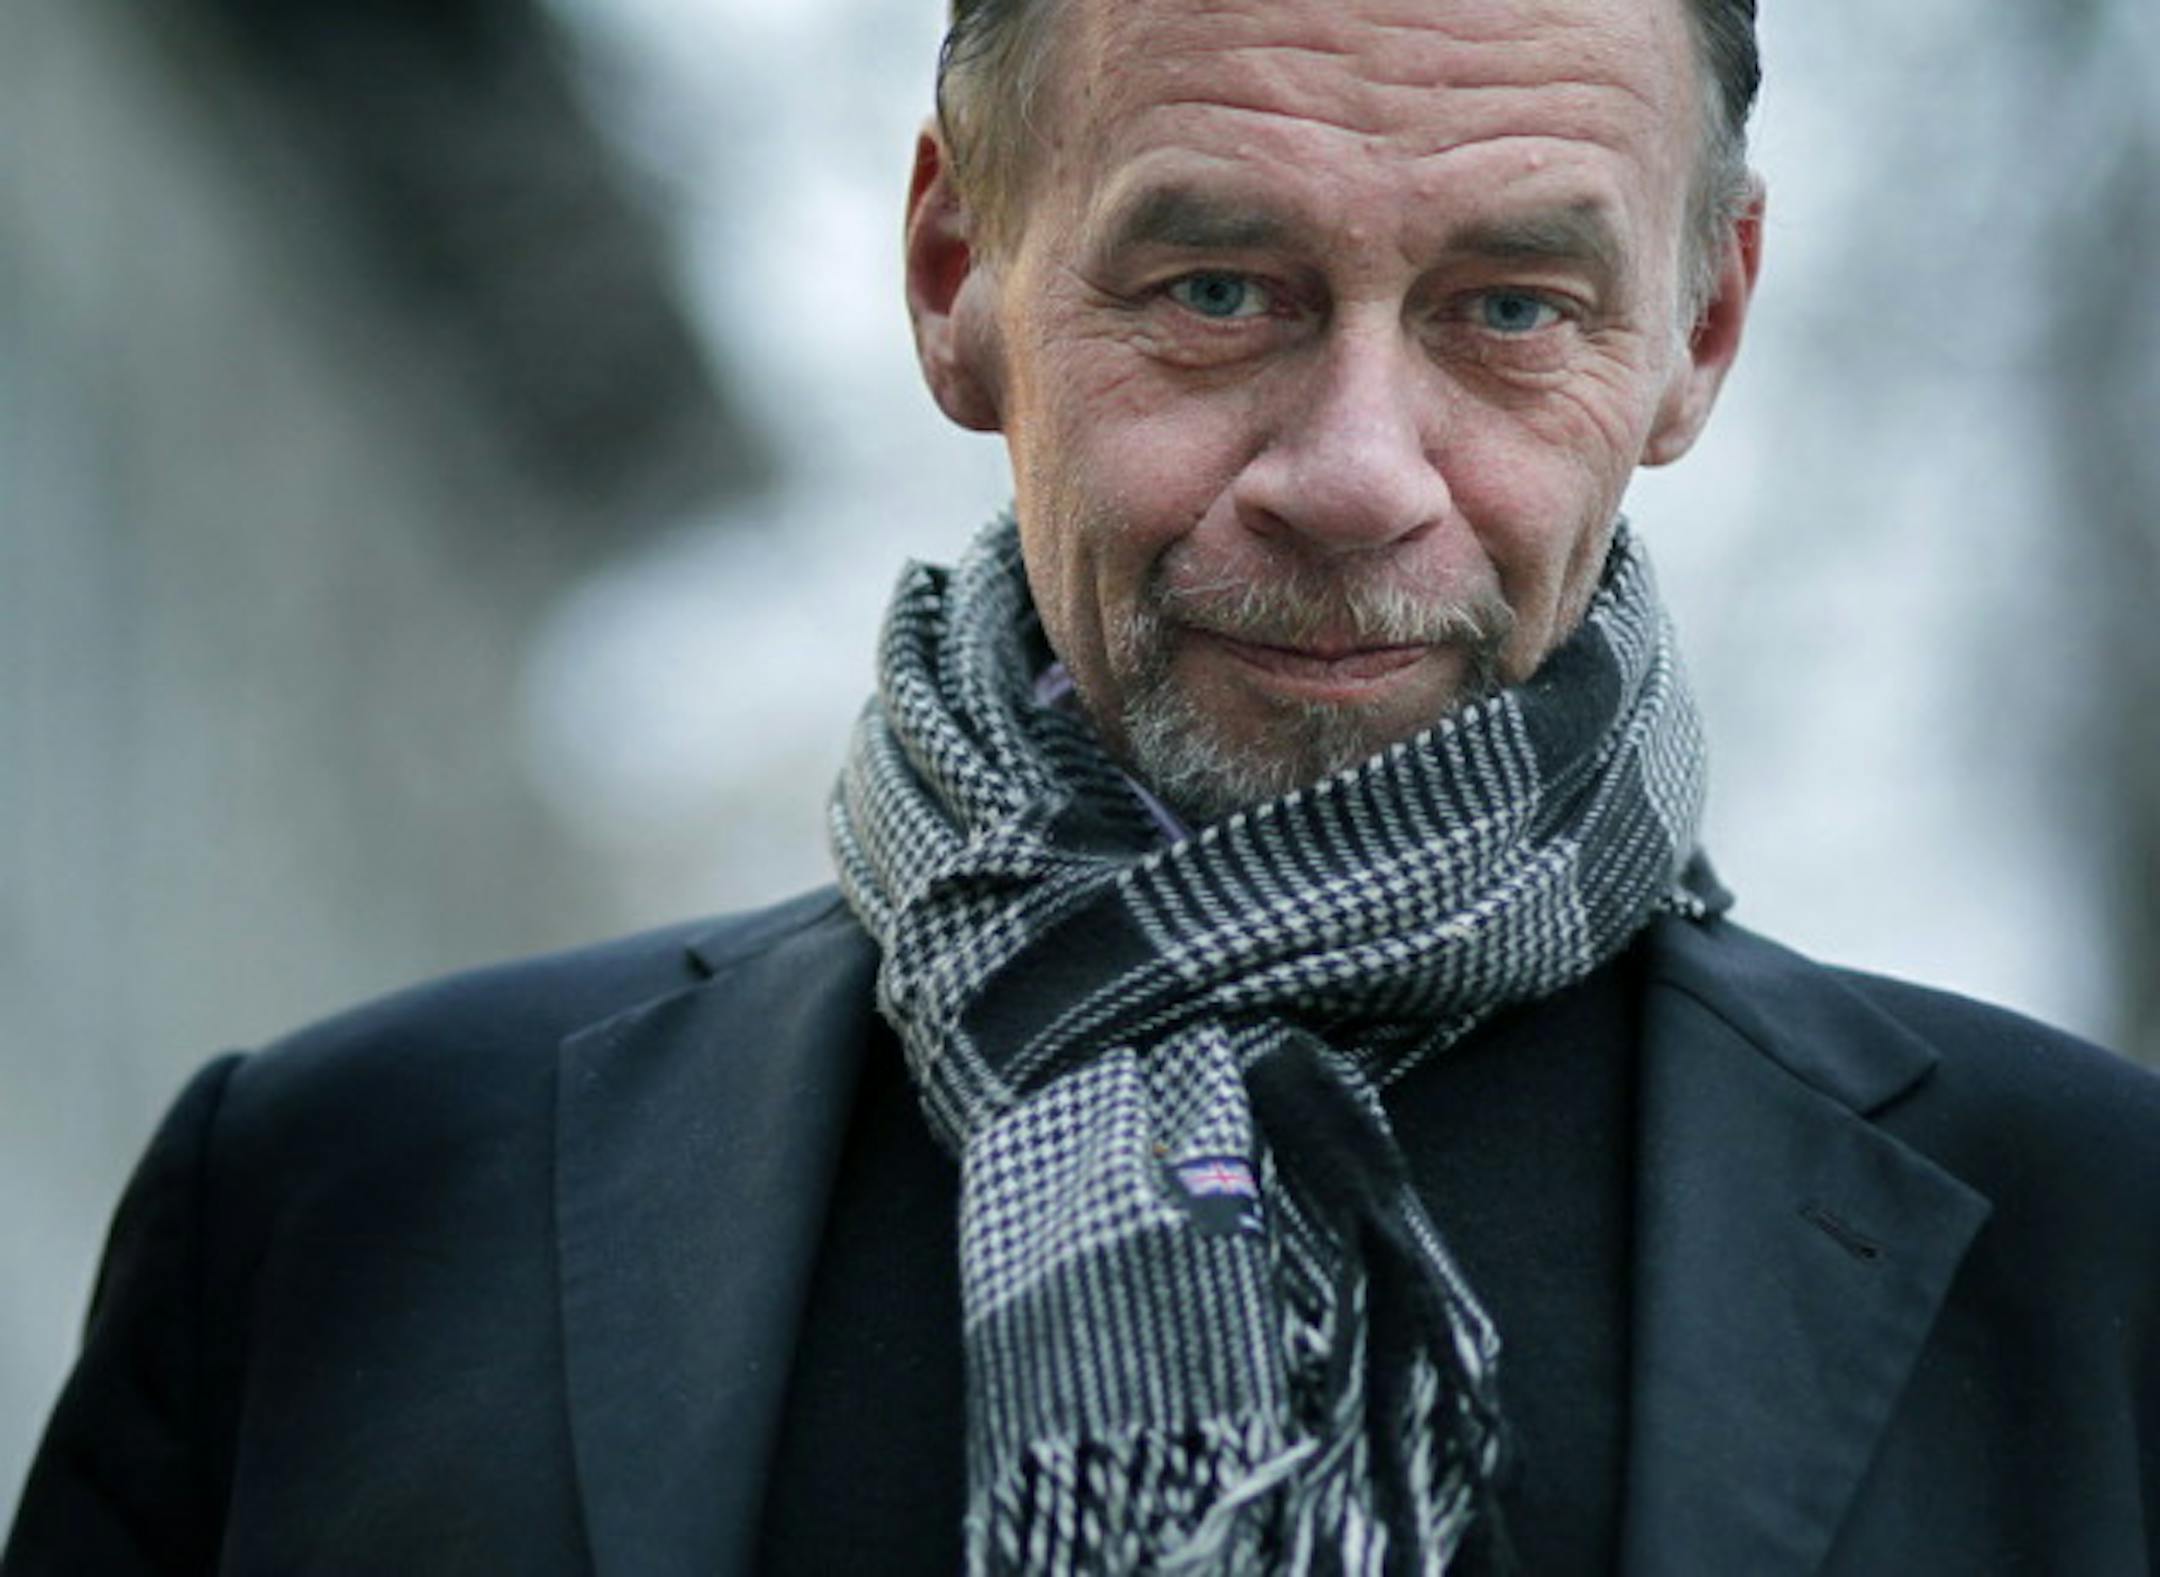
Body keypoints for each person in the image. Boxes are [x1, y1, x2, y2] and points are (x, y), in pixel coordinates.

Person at [9, 0, 2159, 1570]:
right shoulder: (344, 1203)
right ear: (957, 273)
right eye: (1217, 289)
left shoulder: (2096, 1257)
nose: (1355, 475)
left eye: (1511, 307)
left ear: (1699, 331)